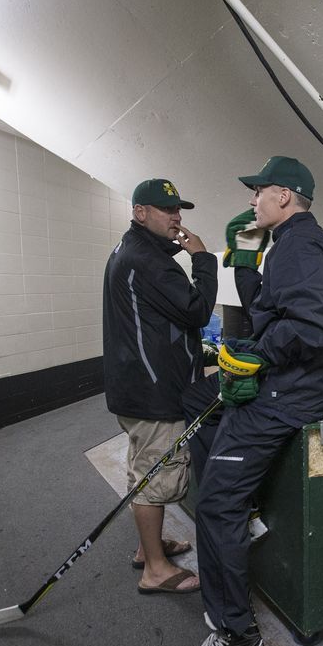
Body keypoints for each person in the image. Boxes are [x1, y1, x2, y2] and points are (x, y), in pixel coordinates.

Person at [178, 156, 323, 646]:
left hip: (291, 395)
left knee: (213, 504)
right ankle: (240, 502)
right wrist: (245, 261)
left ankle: (238, 640)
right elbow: (264, 315)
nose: (251, 201)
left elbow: (310, 326)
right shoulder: (285, 246)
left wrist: (258, 360)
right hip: (285, 381)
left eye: (258, 193)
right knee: (197, 398)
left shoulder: (302, 243)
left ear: (283, 196)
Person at [102, 178, 218, 594]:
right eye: (167, 210)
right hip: (153, 394)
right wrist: (203, 259)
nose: (177, 217)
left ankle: (146, 548)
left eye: (178, 209)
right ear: (140, 213)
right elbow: (198, 310)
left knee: (145, 470)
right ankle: (155, 569)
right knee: (159, 475)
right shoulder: (148, 261)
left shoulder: (133, 250)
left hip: (134, 387)